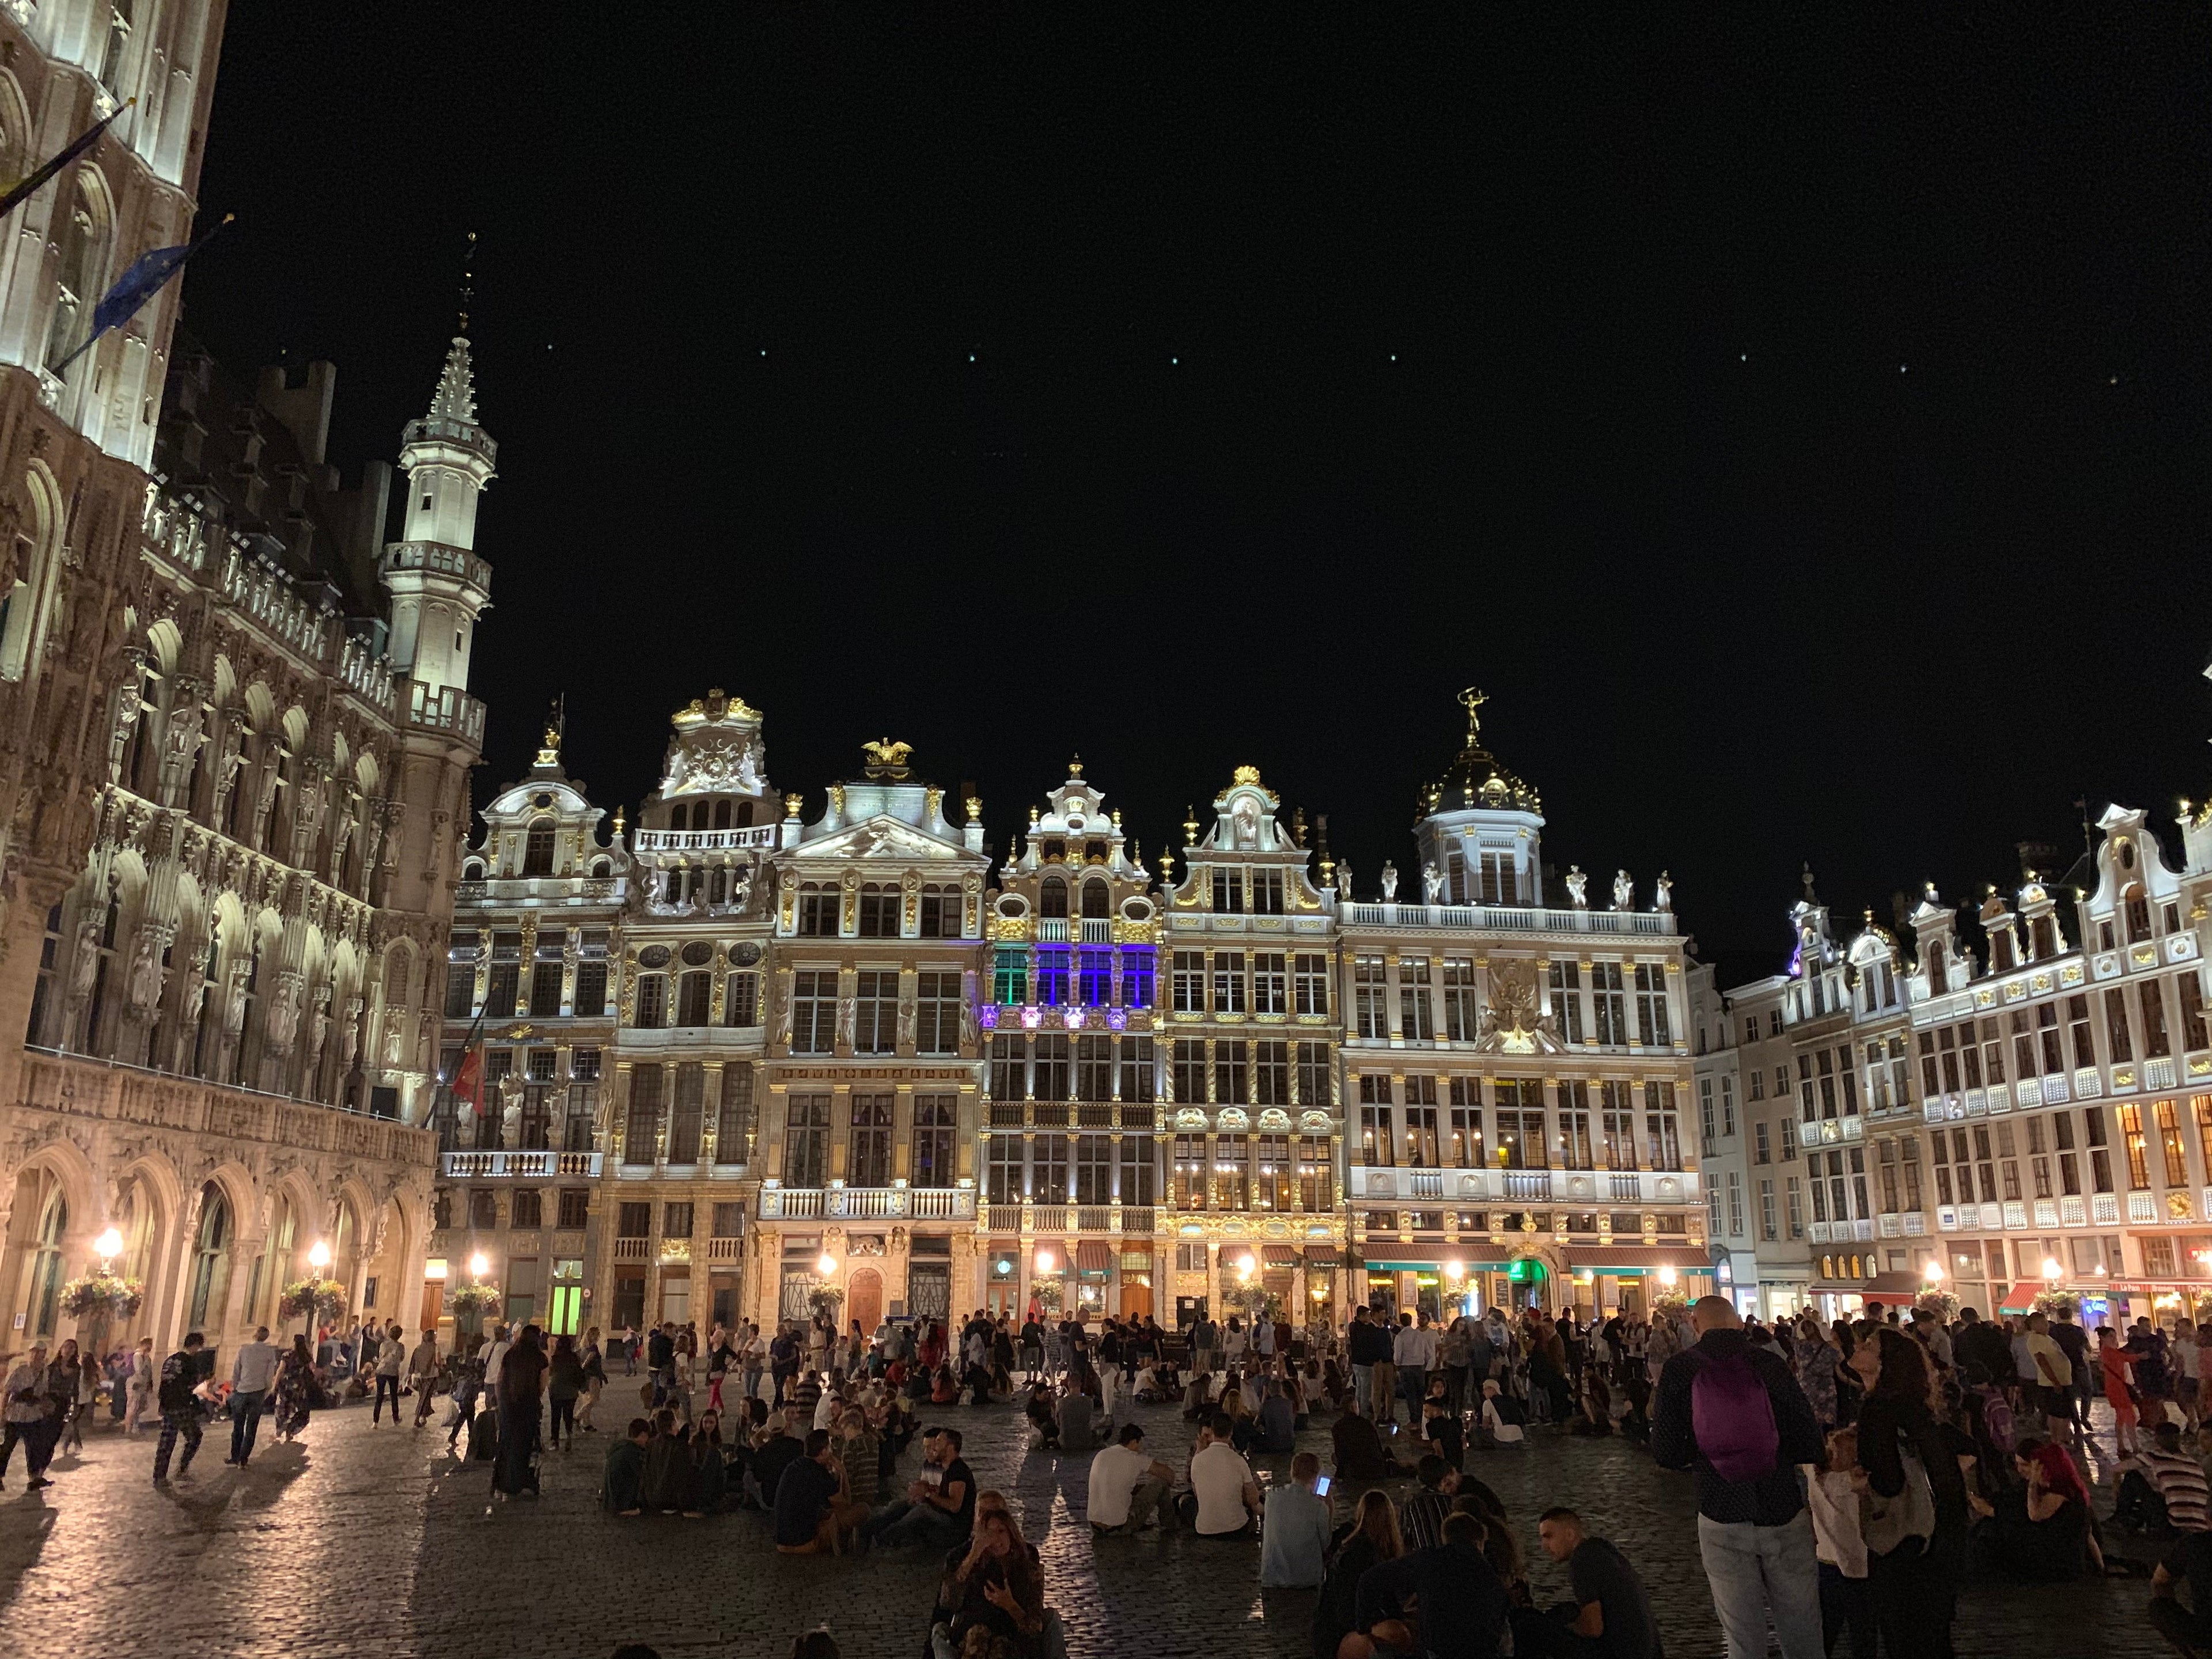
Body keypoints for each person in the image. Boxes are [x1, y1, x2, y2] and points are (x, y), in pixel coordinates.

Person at [1650, 1295, 1824, 1659]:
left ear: (1695, 1326)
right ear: (1739, 1323)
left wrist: (1708, 1454)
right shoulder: (1770, 1363)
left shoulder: (1681, 1369)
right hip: (1781, 1508)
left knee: (1743, 1638)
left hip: (1720, 1510)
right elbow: (1810, 1441)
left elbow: (1666, 1453)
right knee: (1803, 1630)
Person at [1850, 1325, 1967, 1659]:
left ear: (1885, 1363)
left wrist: (1860, 1484)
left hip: (1904, 1539)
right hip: (1939, 1534)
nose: (1859, 1347)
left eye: (1869, 1346)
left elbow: (1889, 1482)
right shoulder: (1918, 1407)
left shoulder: (1878, 1411)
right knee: (1933, 1636)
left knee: (1903, 1635)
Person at [1345, 1508, 1510, 1659]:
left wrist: (1364, 1628)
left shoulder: (1429, 1561)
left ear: (1445, 1538)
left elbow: (1370, 1579)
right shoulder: (1492, 1579)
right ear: (1478, 1543)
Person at [1512, 1508, 1663, 1659]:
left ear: (1570, 1535)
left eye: (1549, 1537)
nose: (1544, 1546)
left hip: (1621, 1654)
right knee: (1566, 1612)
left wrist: (1567, 1627)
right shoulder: (1603, 1551)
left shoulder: (1582, 1560)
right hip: (1650, 1652)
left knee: (1527, 1624)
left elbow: (1593, 1628)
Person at [930, 1508, 1046, 1658]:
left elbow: (1034, 1628)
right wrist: (973, 1556)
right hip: (972, 1638)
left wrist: (1010, 1605)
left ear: (1011, 1533)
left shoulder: (1027, 1567)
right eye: (989, 1534)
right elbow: (948, 1602)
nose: (995, 1540)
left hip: (1012, 1638)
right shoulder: (969, 1562)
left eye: (1001, 1531)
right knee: (973, 1637)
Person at [1804, 1427, 1875, 1659]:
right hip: (1859, 1568)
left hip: (1827, 1564)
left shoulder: (1815, 1476)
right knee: (1862, 1636)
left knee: (1825, 1635)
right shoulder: (1853, 1483)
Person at [1315, 1490, 1403, 1659]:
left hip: (1335, 1628)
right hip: (1342, 1633)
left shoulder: (1352, 1545)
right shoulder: (1361, 1555)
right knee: (1397, 1632)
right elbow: (1347, 1610)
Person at [866, 1423, 976, 1549]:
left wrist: (927, 1494)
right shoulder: (949, 1469)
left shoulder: (958, 1471)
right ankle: (869, 1529)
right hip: (944, 1515)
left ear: (950, 1448)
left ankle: (884, 1538)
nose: (934, 1447)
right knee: (900, 1505)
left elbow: (954, 1506)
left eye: (938, 1442)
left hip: (955, 1524)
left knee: (922, 1510)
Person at [1181, 1410, 1260, 1537]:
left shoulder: (1198, 1459)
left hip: (1205, 1529)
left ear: (1212, 1433)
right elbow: (1253, 1498)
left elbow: (1196, 1492)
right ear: (1231, 1433)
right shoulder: (1237, 1459)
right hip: (1236, 1527)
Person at [491, 1324, 548, 1499]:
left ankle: (500, 1486)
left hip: (508, 1406)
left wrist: (502, 1401)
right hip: (528, 1406)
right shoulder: (540, 1358)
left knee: (506, 1443)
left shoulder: (510, 1355)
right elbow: (542, 1386)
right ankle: (515, 1484)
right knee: (522, 1447)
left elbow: (499, 1381)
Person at [1087, 1421, 1175, 1533]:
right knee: (1161, 1484)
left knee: (1134, 1489)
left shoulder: (1102, 1454)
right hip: (1120, 1528)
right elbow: (1169, 1475)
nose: (1141, 1448)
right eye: (1141, 1444)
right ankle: (1170, 1525)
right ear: (1134, 1442)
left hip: (1095, 1527)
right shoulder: (1136, 1458)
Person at [1262, 1450, 1334, 1588]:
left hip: (1272, 1576)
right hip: (1306, 1578)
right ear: (1315, 1477)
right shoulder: (1317, 1505)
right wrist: (1330, 1508)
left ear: (1292, 1472)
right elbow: (1326, 1544)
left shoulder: (1271, 1498)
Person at [773, 1428, 846, 1553]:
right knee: (861, 1510)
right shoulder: (819, 1473)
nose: (831, 1452)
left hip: (782, 1539)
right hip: (802, 1542)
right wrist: (843, 1473)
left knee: (827, 1514)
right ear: (823, 1452)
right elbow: (844, 1504)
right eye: (829, 1448)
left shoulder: (794, 1466)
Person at [152, 1331, 209, 1485]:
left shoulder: (170, 1360)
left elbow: (164, 1382)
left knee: (167, 1440)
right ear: (196, 1345)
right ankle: (182, 1469)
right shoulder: (190, 1362)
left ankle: (159, 1476)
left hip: (167, 1405)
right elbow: (192, 1384)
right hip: (181, 1405)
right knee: (195, 1436)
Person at [1, 1343, 58, 1490]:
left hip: (33, 1414)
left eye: (39, 1352)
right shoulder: (21, 1370)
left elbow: (43, 1392)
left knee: (34, 1447)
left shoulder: (44, 1373)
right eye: (33, 1352)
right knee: (7, 1447)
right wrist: (3, 1413)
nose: (36, 1355)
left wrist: (45, 1406)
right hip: (16, 1415)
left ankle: (34, 1477)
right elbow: (8, 1392)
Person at [226, 1324, 279, 1467]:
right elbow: (269, 1374)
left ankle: (235, 1456)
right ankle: (244, 1458)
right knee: (251, 1426)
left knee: (238, 1426)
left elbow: (236, 1370)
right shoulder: (269, 1352)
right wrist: (268, 1389)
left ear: (255, 1335)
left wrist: (236, 1387)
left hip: (242, 1390)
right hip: (258, 1392)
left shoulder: (244, 1350)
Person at [1332, 1397, 1413, 1478]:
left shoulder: (1337, 1427)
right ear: (1354, 1408)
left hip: (1353, 1470)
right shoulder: (1366, 1424)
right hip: (1374, 1468)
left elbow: (1340, 1453)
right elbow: (1377, 1449)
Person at [1397, 1454, 1455, 1551]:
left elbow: (1403, 1539)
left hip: (1423, 1562)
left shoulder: (1411, 1506)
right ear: (1444, 1480)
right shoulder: (1452, 1502)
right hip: (1451, 1560)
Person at [2098, 1325, 2139, 1458]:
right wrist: (2141, 1355)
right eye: (2110, 1336)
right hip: (2119, 1388)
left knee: (2121, 1417)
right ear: (2102, 1338)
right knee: (2130, 1417)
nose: (2114, 1339)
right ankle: (2135, 1447)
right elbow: (2128, 1358)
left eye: (2114, 1336)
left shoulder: (2107, 1351)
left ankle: (2121, 1446)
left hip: (2115, 1387)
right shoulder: (2109, 1351)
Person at [270, 1334, 316, 1442]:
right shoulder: (307, 1356)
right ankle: (290, 1431)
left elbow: (281, 1371)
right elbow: (313, 1369)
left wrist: (274, 1386)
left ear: (294, 1342)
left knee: (284, 1408)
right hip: (300, 1387)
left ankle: (280, 1430)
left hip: (287, 1386)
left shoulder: (287, 1355)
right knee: (298, 1410)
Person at [603, 1416, 652, 1514]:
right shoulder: (632, 1452)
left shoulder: (620, 1447)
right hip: (622, 1502)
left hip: (610, 1499)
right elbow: (643, 1475)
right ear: (643, 1435)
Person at [548, 1333, 586, 1450]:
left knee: (556, 1415)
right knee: (568, 1415)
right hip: (571, 1390)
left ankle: (555, 1441)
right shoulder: (574, 1357)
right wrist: (581, 1386)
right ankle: (569, 1436)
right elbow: (580, 1373)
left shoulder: (555, 1358)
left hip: (556, 1389)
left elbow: (551, 1372)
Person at [372, 1320, 406, 1424]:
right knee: (394, 1396)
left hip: (381, 1370)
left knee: (379, 1396)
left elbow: (381, 1356)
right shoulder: (400, 1346)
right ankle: (396, 1419)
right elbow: (401, 1359)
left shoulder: (383, 1344)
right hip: (393, 1372)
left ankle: (375, 1421)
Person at [409, 1329, 442, 1428]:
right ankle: (418, 1417)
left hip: (419, 1375)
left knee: (424, 1396)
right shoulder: (435, 1347)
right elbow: (438, 1361)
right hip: (430, 1375)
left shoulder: (418, 1348)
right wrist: (441, 1366)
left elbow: (413, 1362)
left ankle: (424, 1415)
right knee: (425, 1397)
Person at [124, 1335, 156, 1434]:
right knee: (132, 1406)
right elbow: (139, 1370)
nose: (150, 1347)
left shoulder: (147, 1357)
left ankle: (135, 1427)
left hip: (144, 1385)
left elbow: (149, 1372)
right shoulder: (137, 1356)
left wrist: (150, 1384)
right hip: (135, 1384)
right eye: (149, 1344)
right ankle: (128, 1429)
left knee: (140, 1407)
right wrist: (146, 1361)